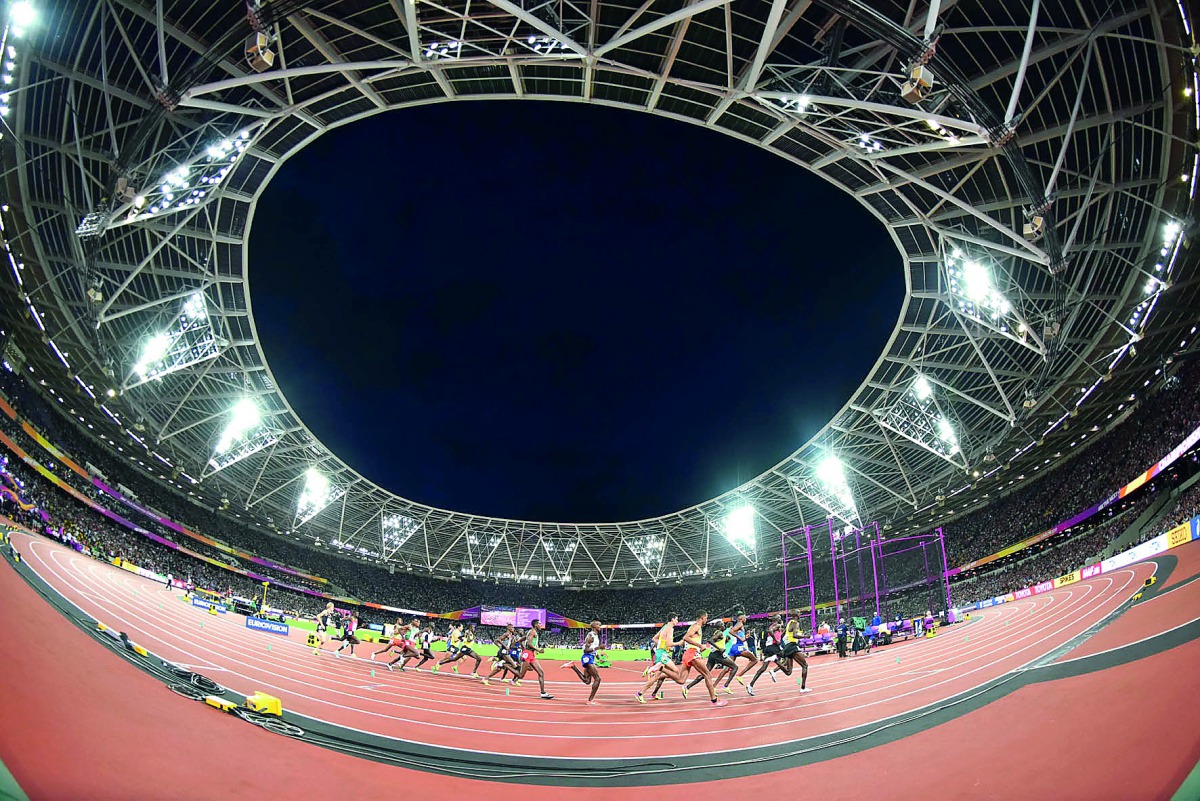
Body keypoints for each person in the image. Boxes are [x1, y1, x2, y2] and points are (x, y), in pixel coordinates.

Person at [685, 623, 738, 696]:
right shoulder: (719, 633)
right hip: (718, 655)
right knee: (735, 667)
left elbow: (716, 642)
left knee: (705, 673)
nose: (724, 626)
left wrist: (725, 641)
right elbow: (710, 640)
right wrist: (720, 649)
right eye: (722, 625)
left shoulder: (717, 633)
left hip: (712, 655)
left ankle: (687, 687)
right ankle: (726, 686)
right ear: (720, 627)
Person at [561, 620, 605, 705]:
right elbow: (586, 650)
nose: (600, 626)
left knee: (587, 681)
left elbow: (593, 649)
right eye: (598, 625)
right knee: (597, 679)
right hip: (587, 657)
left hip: (590, 657)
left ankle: (573, 666)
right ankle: (590, 700)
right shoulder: (590, 635)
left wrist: (599, 658)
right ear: (594, 626)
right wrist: (598, 647)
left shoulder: (596, 636)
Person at [515, 620, 554, 699]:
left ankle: (543, 693)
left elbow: (520, 641)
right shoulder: (532, 632)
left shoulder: (531, 632)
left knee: (541, 673)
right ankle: (505, 664)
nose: (541, 625)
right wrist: (538, 650)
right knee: (520, 675)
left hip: (531, 654)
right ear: (536, 625)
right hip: (528, 654)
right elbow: (529, 643)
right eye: (540, 623)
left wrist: (524, 649)